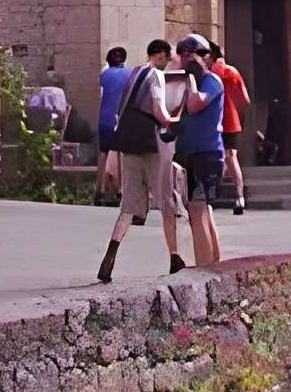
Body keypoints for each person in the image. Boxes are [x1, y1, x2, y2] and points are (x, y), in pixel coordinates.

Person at [96, 39, 185, 283]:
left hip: (129, 143)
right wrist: (172, 120)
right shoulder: (155, 75)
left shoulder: (133, 74)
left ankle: (110, 255)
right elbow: (158, 109)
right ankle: (174, 257)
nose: (166, 63)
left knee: (128, 204)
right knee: (165, 198)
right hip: (149, 144)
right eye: (165, 58)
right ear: (158, 55)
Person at [173, 33, 225, 265]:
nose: (186, 60)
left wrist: (192, 78)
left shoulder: (211, 80)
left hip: (207, 154)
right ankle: (213, 262)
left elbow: (195, 105)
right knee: (203, 210)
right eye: (183, 55)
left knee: (197, 210)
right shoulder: (184, 82)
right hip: (191, 153)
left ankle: (203, 269)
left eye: (191, 55)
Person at [205, 39, 250, 216]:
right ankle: (239, 196)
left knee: (212, 157)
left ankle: (211, 195)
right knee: (232, 159)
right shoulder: (233, 72)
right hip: (231, 122)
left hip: (212, 122)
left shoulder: (208, 75)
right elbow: (245, 100)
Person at [95, 44, 132, 203]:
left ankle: (99, 191)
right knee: (121, 154)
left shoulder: (104, 75)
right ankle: (120, 190)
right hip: (121, 118)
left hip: (104, 118)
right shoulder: (129, 74)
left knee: (103, 153)